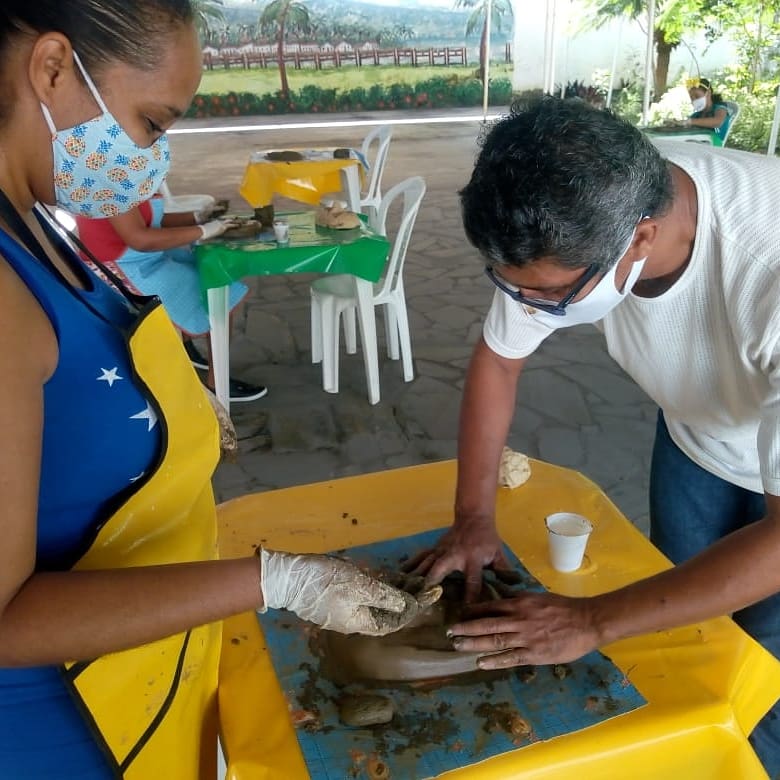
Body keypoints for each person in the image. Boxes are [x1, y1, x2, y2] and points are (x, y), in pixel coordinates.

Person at [0, 3, 433, 778]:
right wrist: (277, 580)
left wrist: (173, 416)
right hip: (65, 733)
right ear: (53, 68)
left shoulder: (37, 224)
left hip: (143, 681)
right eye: (152, 123)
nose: (154, 160)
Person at [410, 97, 780, 774]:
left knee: (765, 665)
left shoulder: (766, 266)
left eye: (549, 296)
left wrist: (591, 620)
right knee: (688, 628)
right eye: (512, 287)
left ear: (640, 238)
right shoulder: (571, 217)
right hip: (699, 437)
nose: (530, 307)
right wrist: (473, 518)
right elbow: (499, 358)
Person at [75, 197, 268, 402]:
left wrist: (197, 218)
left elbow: (149, 220)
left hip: (137, 257)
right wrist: (204, 230)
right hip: (117, 268)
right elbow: (142, 239)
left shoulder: (123, 178)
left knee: (202, 270)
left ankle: (190, 353)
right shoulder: (110, 187)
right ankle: (217, 385)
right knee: (214, 289)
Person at [681, 77, 732, 145]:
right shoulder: (697, 115)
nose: (694, 100)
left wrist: (690, 121)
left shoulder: (720, 108)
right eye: (691, 98)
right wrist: (677, 124)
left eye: (697, 96)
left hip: (713, 145)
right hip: (697, 143)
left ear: (708, 93)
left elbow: (718, 122)